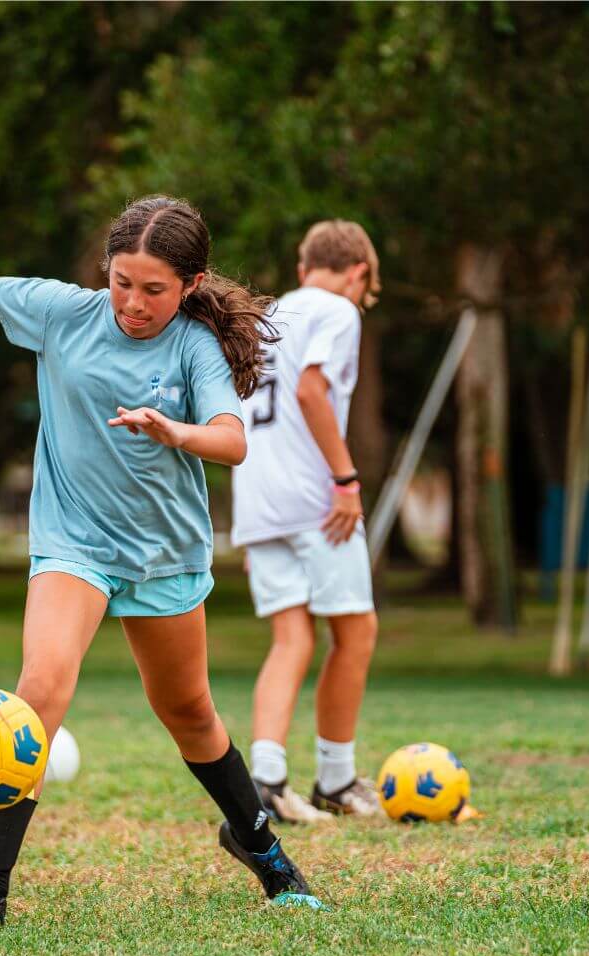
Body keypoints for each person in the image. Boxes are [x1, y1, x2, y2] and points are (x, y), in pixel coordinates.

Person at [0, 195, 323, 938]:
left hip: (162, 555)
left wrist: (172, 429)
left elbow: (231, 440)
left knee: (189, 714)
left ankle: (260, 847)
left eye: (154, 289)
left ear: (190, 285)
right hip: (73, 545)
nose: (134, 302)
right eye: (123, 281)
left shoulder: (191, 346)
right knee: (37, 695)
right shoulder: (65, 313)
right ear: (106, 271)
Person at [231, 221, 382, 823]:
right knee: (357, 632)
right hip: (311, 499)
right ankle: (338, 782)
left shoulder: (265, 318)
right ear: (359, 273)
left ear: (302, 268)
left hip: (257, 495)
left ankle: (267, 781)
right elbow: (311, 394)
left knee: (292, 638)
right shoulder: (339, 311)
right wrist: (345, 480)